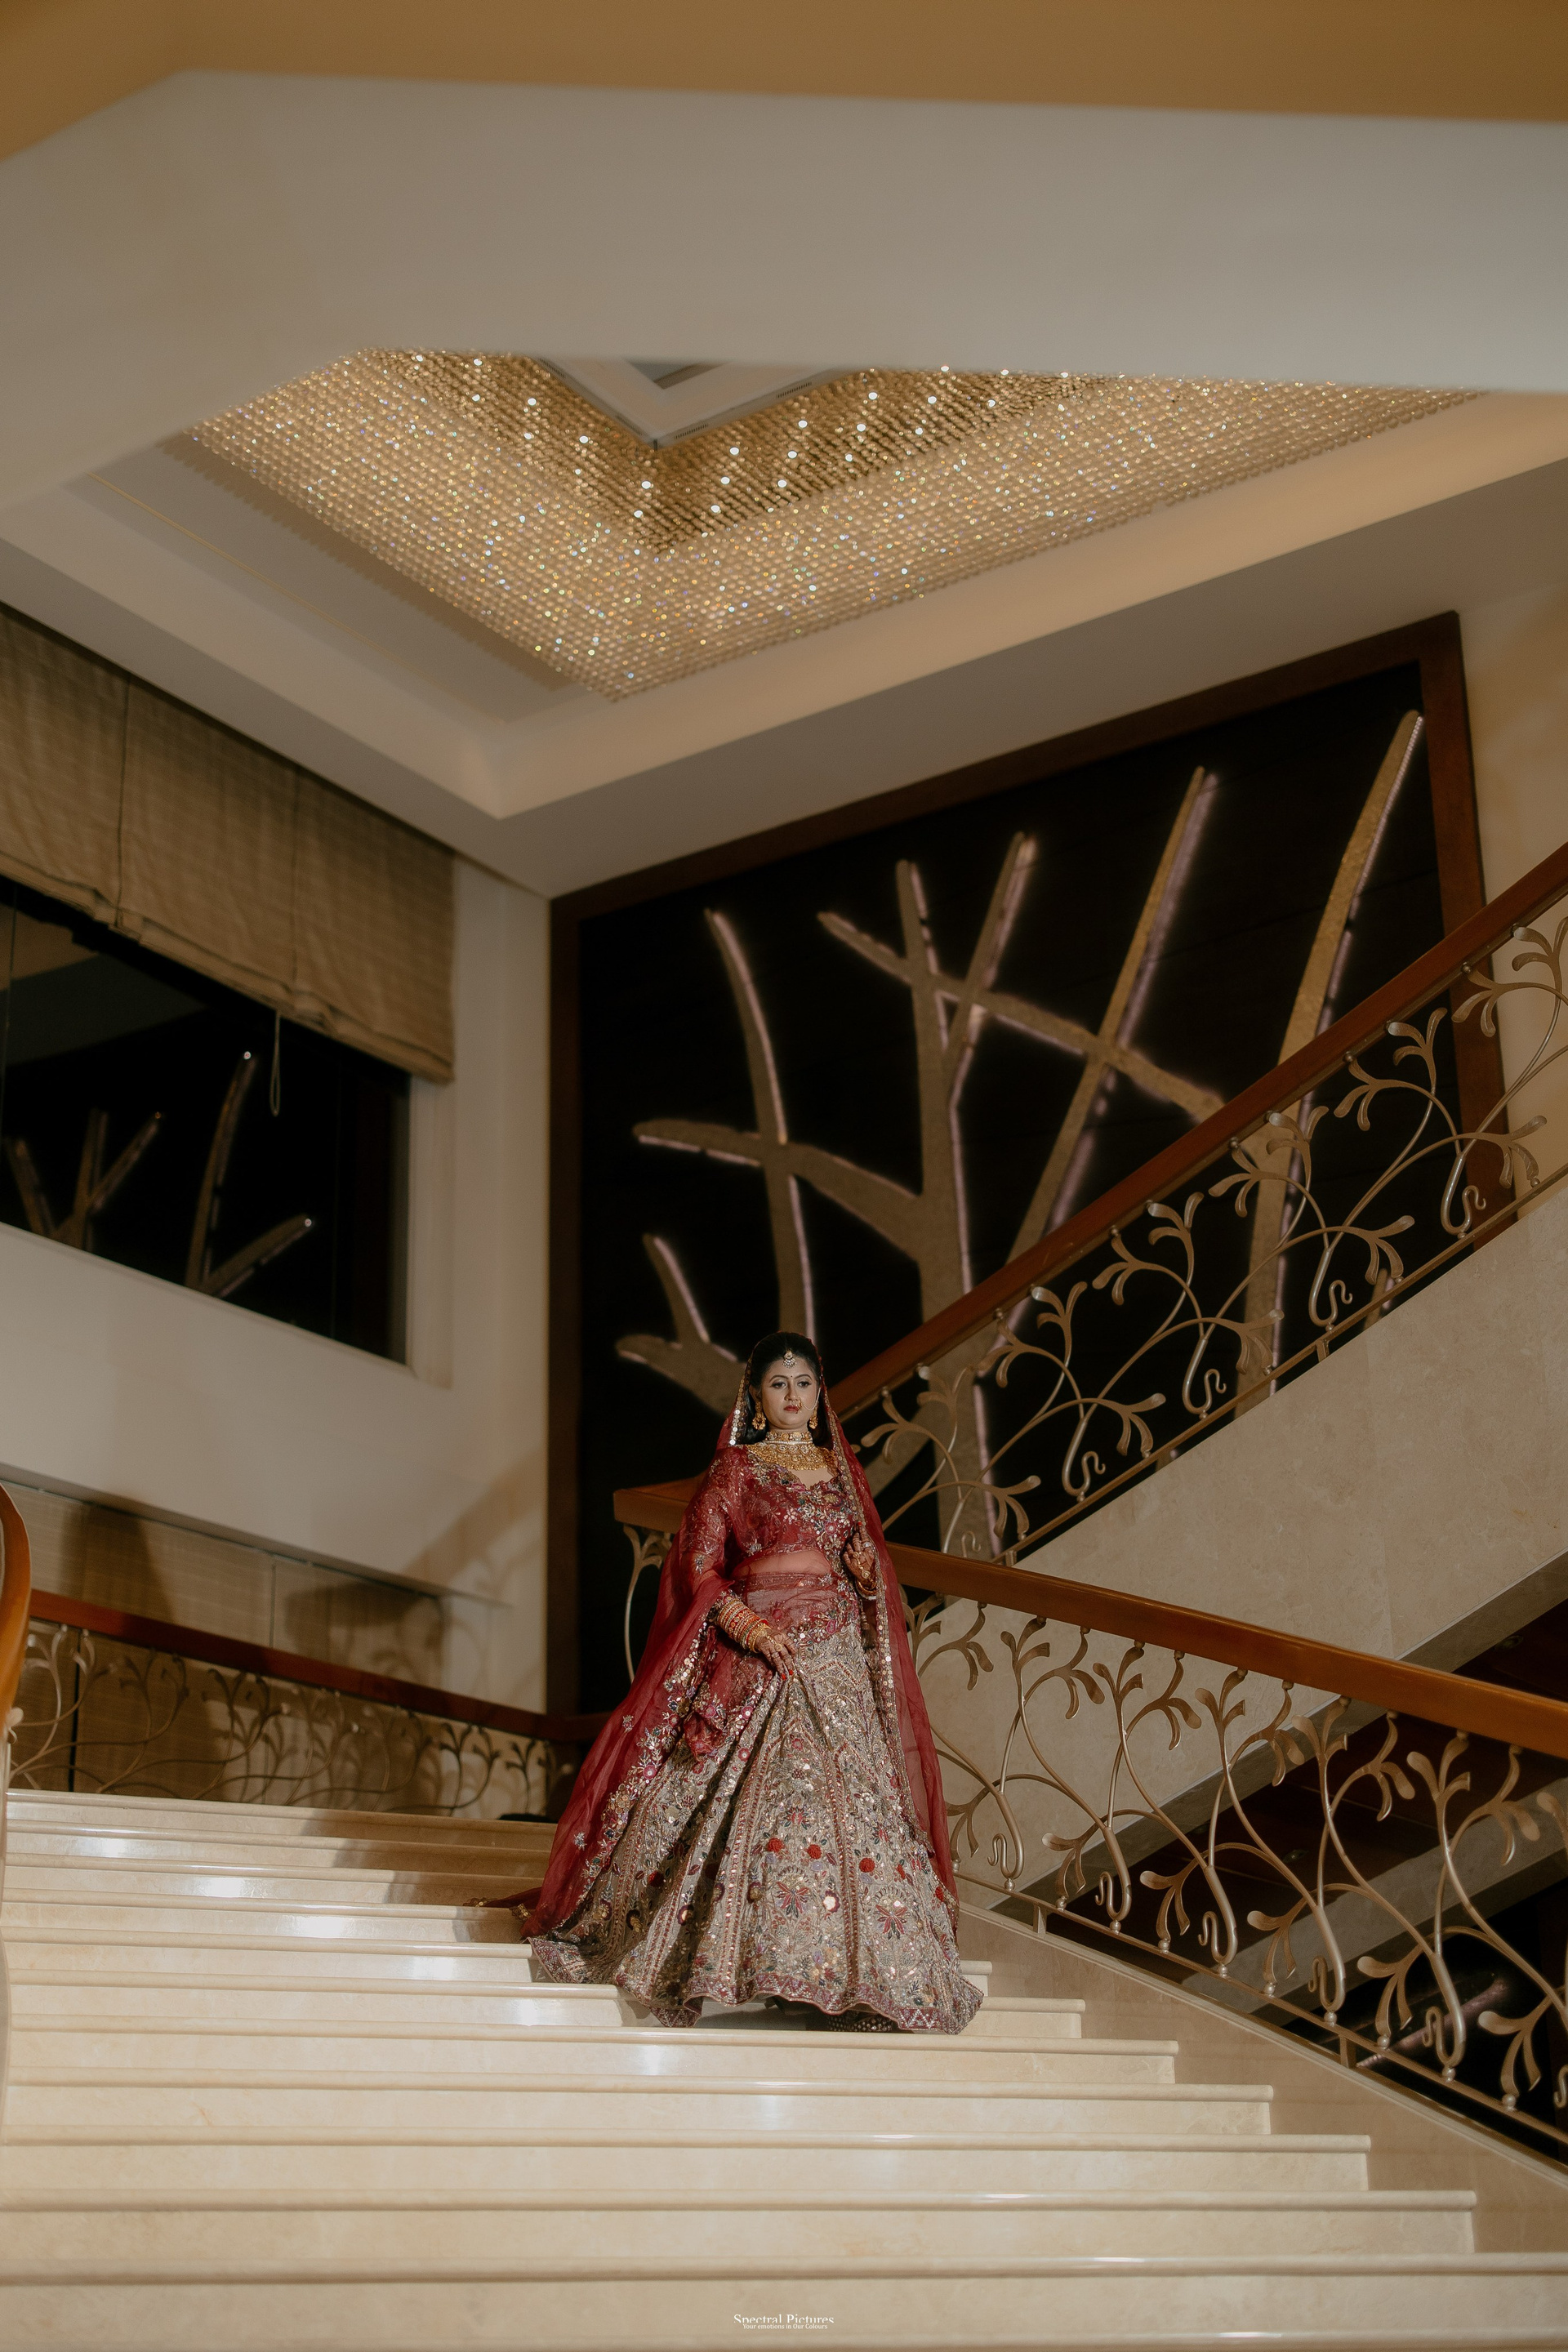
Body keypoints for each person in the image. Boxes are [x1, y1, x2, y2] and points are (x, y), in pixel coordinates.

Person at [515, 1330, 981, 2033]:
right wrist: (749, 1628)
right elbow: (699, 1566)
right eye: (779, 1384)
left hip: (836, 1657)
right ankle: (755, 1961)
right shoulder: (736, 1469)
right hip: (762, 1651)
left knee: (851, 1806)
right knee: (771, 1795)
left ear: (820, 1394)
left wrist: (862, 1579)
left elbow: (864, 1568)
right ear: (757, 1399)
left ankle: (860, 1979)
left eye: (804, 1383)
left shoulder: (843, 1473)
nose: (794, 1396)